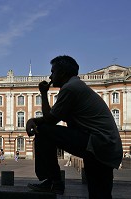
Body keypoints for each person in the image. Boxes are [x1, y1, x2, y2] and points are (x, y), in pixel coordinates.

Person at [26, 55, 123, 198]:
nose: (50, 76)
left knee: (44, 131)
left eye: (53, 72)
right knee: (99, 193)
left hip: (98, 143)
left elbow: (50, 120)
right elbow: (53, 116)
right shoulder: (76, 86)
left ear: (63, 73)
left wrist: (43, 94)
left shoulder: (70, 89)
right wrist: (34, 119)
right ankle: (53, 181)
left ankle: (53, 182)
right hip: (103, 146)